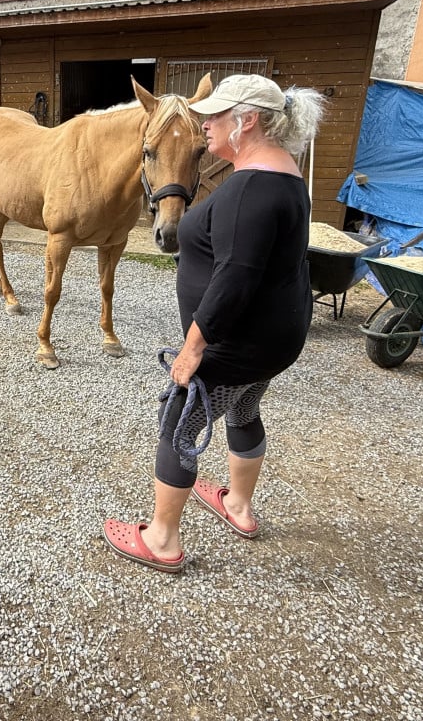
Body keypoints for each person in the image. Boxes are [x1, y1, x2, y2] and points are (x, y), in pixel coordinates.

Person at [103, 74, 325, 572]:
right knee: (243, 410)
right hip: (274, 340)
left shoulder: (251, 188)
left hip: (233, 345)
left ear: (246, 123)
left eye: (216, 115)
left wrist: (194, 347)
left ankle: (162, 540)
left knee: (178, 425)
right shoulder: (285, 174)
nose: (205, 124)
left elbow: (236, 278)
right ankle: (239, 506)